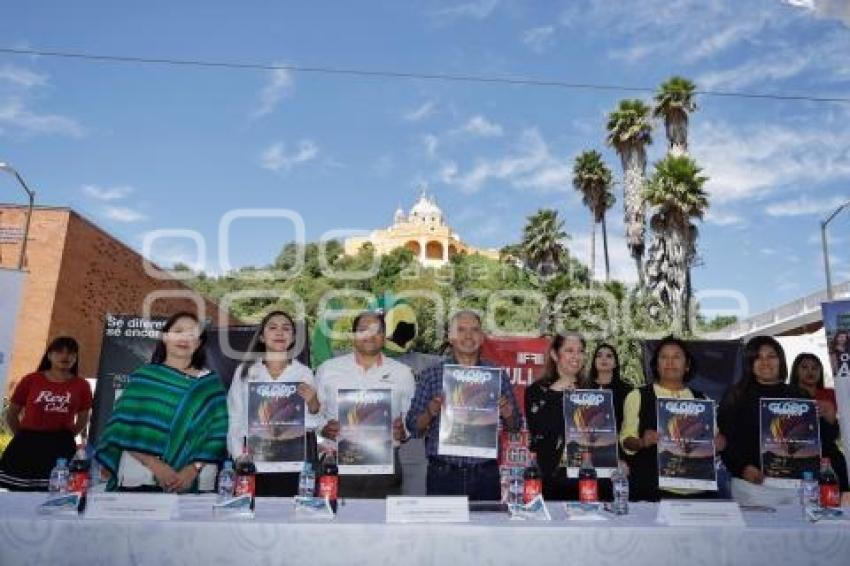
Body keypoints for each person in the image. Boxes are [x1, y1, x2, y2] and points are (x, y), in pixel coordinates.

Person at [95, 312, 228, 492]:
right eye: (178, 331)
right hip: (141, 477)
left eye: (192, 334)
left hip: (192, 482)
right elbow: (121, 430)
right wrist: (156, 466)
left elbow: (218, 433)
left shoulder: (209, 385)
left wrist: (192, 470)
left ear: (198, 343)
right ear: (165, 337)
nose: (184, 338)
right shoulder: (144, 378)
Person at [406, 310, 521, 501]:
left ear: (482, 337)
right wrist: (430, 411)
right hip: (443, 474)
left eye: (474, 330)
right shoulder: (432, 375)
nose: (468, 336)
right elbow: (413, 426)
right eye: (461, 330)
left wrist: (508, 413)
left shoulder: (497, 375)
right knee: (443, 532)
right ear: (450, 338)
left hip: (485, 474)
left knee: (485, 531)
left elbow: (515, 426)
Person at [316, 311, 415, 498]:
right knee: (332, 524)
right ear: (353, 336)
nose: (370, 335)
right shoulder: (328, 369)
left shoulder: (403, 373)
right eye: (363, 330)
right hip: (335, 465)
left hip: (385, 468)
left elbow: (410, 418)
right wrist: (323, 429)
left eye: (376, 330)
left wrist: (404, 432)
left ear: (384, 337)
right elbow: (312, 414)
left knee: (384, 526)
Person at [620, 335, 725, 502]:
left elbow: (716, 440)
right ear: (656, 364)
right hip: (653, 490)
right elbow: (626, 441)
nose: (670, 362)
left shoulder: (702, 399)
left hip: (698, 490)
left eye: (676, 357)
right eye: (664, 357)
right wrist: (641, 442)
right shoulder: (637, 396)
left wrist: (719, 443)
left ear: (687, 365)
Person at [227, 310, 319, 496]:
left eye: (286, 329)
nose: (279, 332)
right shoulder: (244, 372)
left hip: (292, 461)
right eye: (272, 328)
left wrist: (312, 403)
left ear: (293, 338)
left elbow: (314, 423)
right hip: (253, 460)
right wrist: (238, 457)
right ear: (261, 336)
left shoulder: (304, 374)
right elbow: (234, 417)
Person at [718, 335, 802, 505]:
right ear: (749, 363)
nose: (765, 362)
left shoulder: (800, 395)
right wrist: (741, 468)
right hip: (752, 486)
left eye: (771, 356)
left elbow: (821, 440)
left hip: (797, 486)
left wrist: (829, 420)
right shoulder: (736, 396)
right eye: (757, 357)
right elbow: (725, 440)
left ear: (780, 360)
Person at [0, 337, 92, 491]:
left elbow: (83, 418)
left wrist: (65, 436)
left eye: (71, 353)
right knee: (19, 493)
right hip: (27, 443)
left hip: (60, 447)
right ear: (49, 355)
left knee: (55, 492)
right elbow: (12, 413)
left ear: (75, 358)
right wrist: (22, 436)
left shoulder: (81, 385)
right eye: (59, 352)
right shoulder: (31, 380)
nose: (65, 356)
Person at [525, 332, 586, 501]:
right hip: (551, 480)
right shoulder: (535, 391)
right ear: (554, 354)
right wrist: (555, 390)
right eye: (569, 350)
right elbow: (538, 429)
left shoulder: (593, 390)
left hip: (587, 479)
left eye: (581, 351)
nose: (576, 356)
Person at [789, 353, 849, 496]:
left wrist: (830, 415)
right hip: (797, 457)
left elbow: (835, 434)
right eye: (804, 367)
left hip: (828, 457)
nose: (810, 371)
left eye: (815, 368)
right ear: (796, 370)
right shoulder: (785, 393)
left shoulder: (831, 394)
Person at [587, 343, 632, 432]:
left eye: (609, 356)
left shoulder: (626, 390)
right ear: (594, 362)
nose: (603, 359)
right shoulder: (584, 387)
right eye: (599, 356)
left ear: (615, 364)